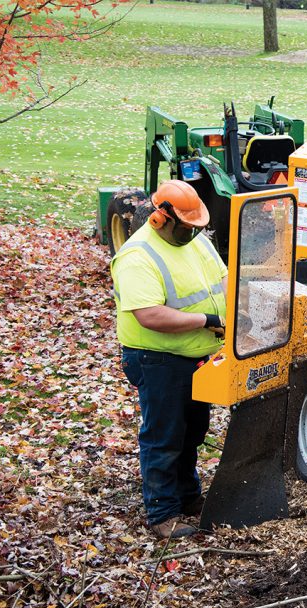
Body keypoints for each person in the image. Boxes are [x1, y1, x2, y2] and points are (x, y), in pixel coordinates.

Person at [111, 180, 227, 539]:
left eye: (197, 228)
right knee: (164, 435)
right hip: (157, 359)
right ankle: (163, 512)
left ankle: (188, 496)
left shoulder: (198, 242)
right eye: (186, 228)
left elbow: (223, 281)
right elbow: (150, 315)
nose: (192, 234)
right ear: (161, 219)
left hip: (195, 357)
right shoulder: (138, 256)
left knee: (192, 430)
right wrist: (208, 321)